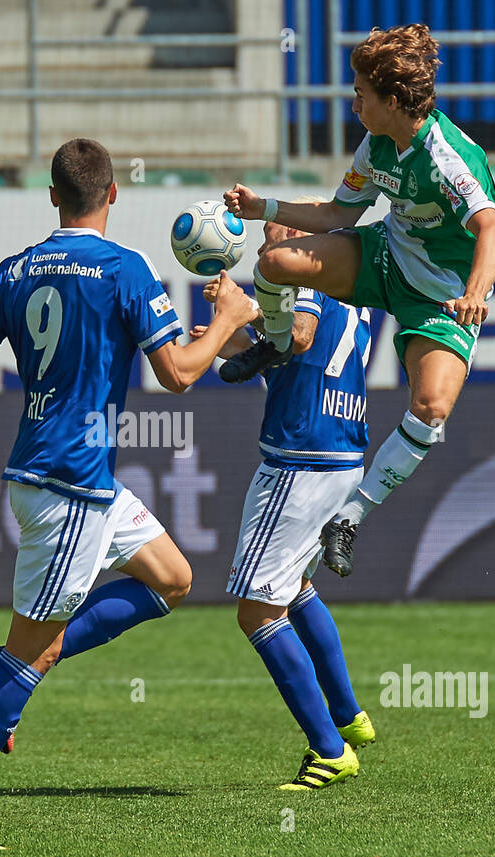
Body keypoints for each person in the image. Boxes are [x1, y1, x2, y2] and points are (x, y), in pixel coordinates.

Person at [0, 137, 258, 850]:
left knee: (172, 580)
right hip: (68, 489)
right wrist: (231, 319)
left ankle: (20, 667)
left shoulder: (17, 269)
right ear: (113, 194)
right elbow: (177, 374)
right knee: (31, 653)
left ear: (53, 196)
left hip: (78, 482)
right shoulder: (127, 268)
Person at [220, 23, 495, 577]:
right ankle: (277, 342)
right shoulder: (377, 145)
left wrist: (475, 292)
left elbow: (493, 230)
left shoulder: (449, 157)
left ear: (393, 101)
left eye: (360, 95)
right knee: (276, 262)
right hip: (385, 258)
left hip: (442, 299)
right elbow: (337, 215)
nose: (353, 104)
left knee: (431, 410)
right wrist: (265, 209)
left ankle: (350, 516)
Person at [194, 210, 376, 790]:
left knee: (256, 610)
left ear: (295, 238)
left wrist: (240, 320)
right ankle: (350, 716)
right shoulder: (353, 283)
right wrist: (231, 335)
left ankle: (329, 750)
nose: (267, 241)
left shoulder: (305, 278)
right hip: (342, 453)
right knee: (295, 589)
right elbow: (292, 349)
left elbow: (296, 335)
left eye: (273, 231)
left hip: (301, 458)